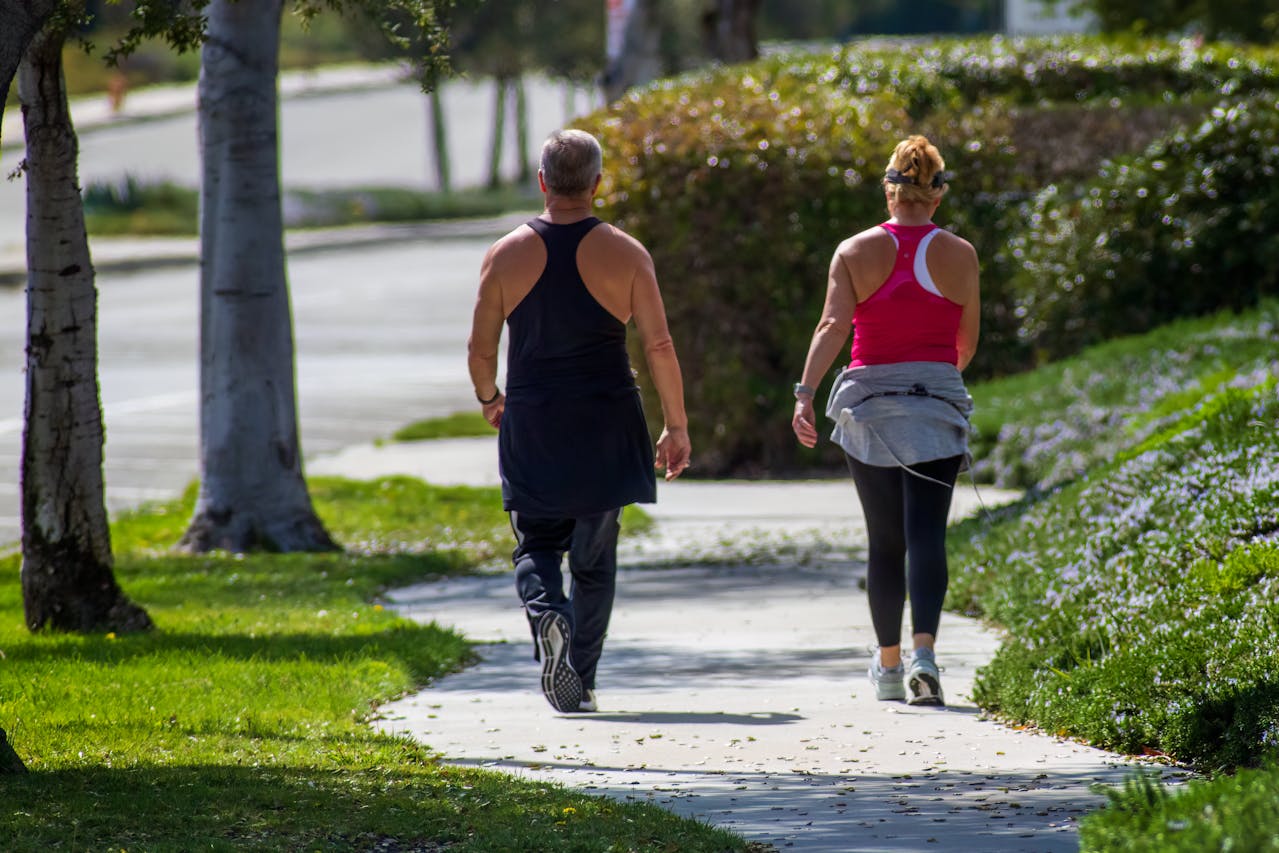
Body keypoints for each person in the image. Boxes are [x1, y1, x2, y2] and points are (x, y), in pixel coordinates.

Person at [467, 128, 691, 713]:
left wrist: (490, 396)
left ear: (542, 182)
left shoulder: (505, 253)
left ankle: (547, 616)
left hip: (535, 418)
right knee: (595, 560)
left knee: (536, 546)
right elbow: (660, 345)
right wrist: (677, 426)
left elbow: (480, 349)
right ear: (597, 184)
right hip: (607, 422)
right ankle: (581, 679)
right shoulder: (627, 252)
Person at [791, 135, 980, 707]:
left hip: (867, 406)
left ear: (889, 187)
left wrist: (804, 394)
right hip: (937, 403)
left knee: (885, 541)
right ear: (937, 193)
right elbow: (965, 343)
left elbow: (831, 328)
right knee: (927, 534)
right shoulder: (961, 254)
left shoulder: (852, 251)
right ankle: (926, 657)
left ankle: (890, 667)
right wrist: (930, 379)